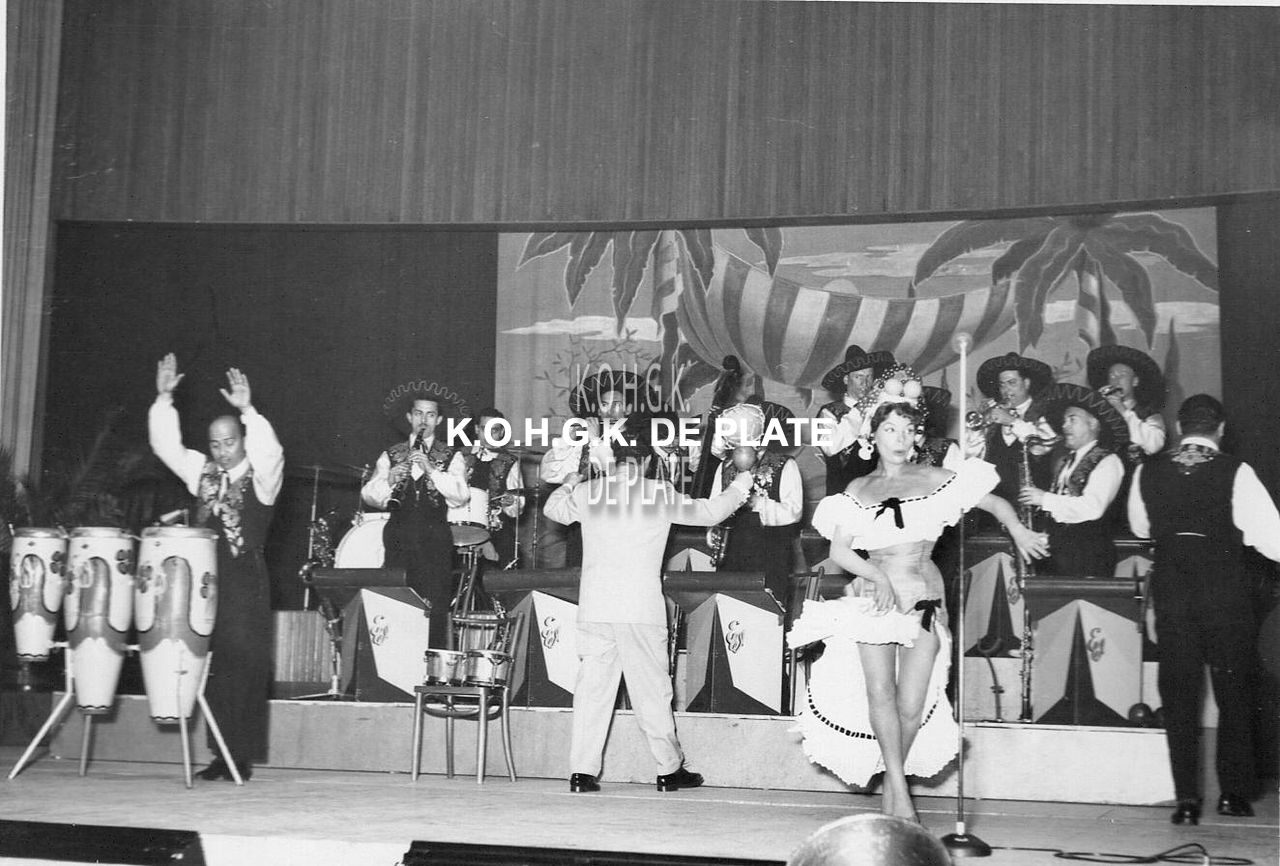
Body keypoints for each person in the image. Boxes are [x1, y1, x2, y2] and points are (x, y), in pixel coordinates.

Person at [798, 400, 1048, 820]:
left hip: (923, 596)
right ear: (873, 436)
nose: (899, 438)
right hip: (873, 597)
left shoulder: (936, 478)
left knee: (912, 703)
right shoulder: (858, 488)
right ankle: (899, 796)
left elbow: (996, 504)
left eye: (907, 430)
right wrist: (876, 577)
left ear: (916, 437)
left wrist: (1020, 531)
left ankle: (893, 792)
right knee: (880, 693)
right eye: (890, 429)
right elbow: (840, 551)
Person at [543, 417, 755, 794]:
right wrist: (741, 484)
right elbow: (710, 513)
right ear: (644, 462)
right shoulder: (658, 492)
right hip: (639, 608)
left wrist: (572, 480)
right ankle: (668, 769)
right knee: (652, 691)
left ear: (614, 460)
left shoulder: (589, 492)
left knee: (592, 692)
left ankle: (581, 772)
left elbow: (552, 509)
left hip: (595, 607)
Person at [1128, 394, 1280, 825]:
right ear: (1221, 430)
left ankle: (1186, 801)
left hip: (1172, 591)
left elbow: (1140, 526)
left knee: (1178, 694)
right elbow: (1270, 538)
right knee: (1234, 691)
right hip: (1225, 591)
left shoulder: (1147, 469)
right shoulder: (1236, 470)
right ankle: (1232, 794)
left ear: (1179, 428)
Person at [148, 354, 283, 781]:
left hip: (245, 580)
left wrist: (248, 410)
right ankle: (219, 753)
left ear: (242, 440)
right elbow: (167, 448)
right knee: (215, 667)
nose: (223, 451)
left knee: (245, 664)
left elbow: (271, 452)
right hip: (207, 583)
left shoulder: (262, 478)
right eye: (216, 444)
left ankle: (239, 755)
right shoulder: (202, 473)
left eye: (230, 442)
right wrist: (164, 399)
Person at [361, 396, 470, 648]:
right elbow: (369, 496)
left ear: (439, 420)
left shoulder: (451, 455)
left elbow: (460, 495)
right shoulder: (391, 454)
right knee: (396, 597)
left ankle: (432, 660)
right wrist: (389, 480)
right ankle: (397, 657)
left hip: (435, 536)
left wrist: (431, 469)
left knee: (436, 601)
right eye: (419, 414)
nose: (424, 420)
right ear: (410, 417)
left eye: (430, 415)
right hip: (399, 534)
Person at [1018, 383, 1128, 577]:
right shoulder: (1066, 461)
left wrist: (1044, 499)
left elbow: (1093, 508)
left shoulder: (1108, 461)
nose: (1064, 426)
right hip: (1060, 555)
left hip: (1089, 556)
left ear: (1093, 424)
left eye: (1072, 420)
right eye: (1064, 421)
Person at [711, 400, 803, 603]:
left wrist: (757, 503)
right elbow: (714, 506)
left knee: (768, 608)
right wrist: (713, 530)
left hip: (771, 551)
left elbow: (794, 512)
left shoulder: (784, 465)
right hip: (733, 551)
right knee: (729, 608)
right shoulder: (725, 466)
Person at [963, 352, 1056, 530]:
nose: (1006, 390)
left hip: (1031, 510)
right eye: (1002, 385)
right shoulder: (994, 414)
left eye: (1012, 383)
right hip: (992, 510)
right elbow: (969, 454)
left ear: (1026, 383)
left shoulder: (1045, 412)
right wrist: (979, 427)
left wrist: (1012, 421)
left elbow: (1043, 447)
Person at [816, 345, 895, 495]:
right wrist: (860, 409)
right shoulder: (828, 412)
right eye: (859, 377)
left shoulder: (882, 410)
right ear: (846, 379)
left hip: (879, 494)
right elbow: (830, 448)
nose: (865, 383)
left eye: (869, 377)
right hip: (843, 495)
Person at [455, 408, 525, 569]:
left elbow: (517, 506)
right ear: (476, 429)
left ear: (501, 433)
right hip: (460, 526)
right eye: (484, 429)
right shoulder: (460, 455)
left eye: (494, 430)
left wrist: (511, 503)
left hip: (495, 529)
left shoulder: (509, 462)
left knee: (506, 560)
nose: (488, 435)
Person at [1086, 344, 1167, 459]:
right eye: (1112, 376)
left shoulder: (1148, 414)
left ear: (1135, 381)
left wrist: (1123, 411)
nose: (1116, 380)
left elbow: (1154, 444)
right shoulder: (1100, 412)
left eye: (1122, 375)